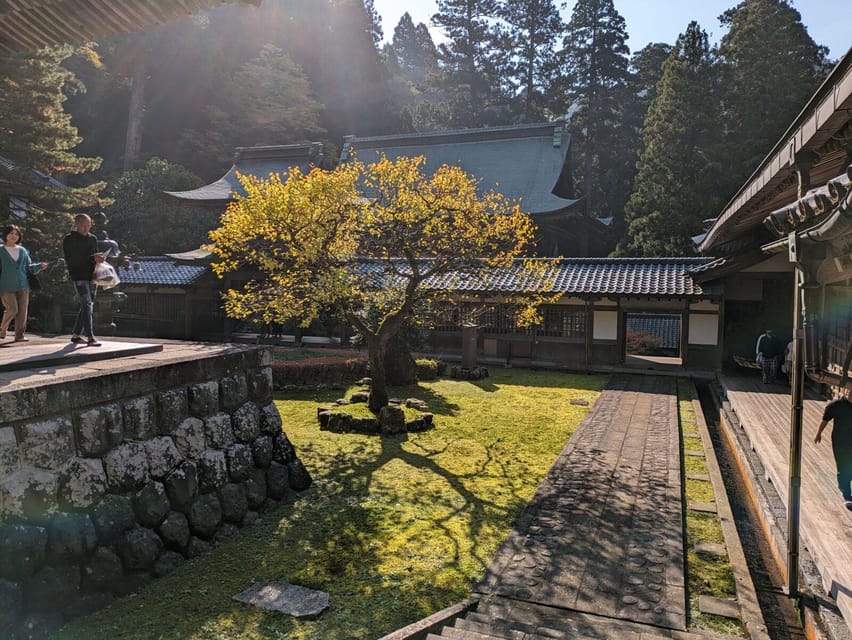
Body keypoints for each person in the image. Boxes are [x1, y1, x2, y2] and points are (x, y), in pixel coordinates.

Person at [63, 214, 105, 346]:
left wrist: (100, 258)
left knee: (87, 305)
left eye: (88, 225)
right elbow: (73, 259)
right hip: (78, 275)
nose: (86, 228)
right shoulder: (69, 239)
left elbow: (95, 254)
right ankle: (90, 336)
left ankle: (76, 335)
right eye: (83, 225)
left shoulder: (93, 239)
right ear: (76, 224)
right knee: (87, 304)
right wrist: (92, 258)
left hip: (92, 275)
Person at [0, 224, 47, 342]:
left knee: (22, 311)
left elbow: (28, 267)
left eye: (16, 234)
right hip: (6, 285)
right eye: (11, 233)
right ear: (5, 235)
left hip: (23, 284)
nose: (14, 236)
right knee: (12, 309)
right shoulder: (0, 250)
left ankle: (19, 336)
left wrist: (39, 266)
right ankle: (2, 330)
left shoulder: (23, 250)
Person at [814, 387, 852, 511]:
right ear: (847, 393)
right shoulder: (836, 405)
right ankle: (847, 494)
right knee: (843, 466)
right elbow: (825, 420)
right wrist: (818, 433)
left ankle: (845, 484)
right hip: (840, 441)